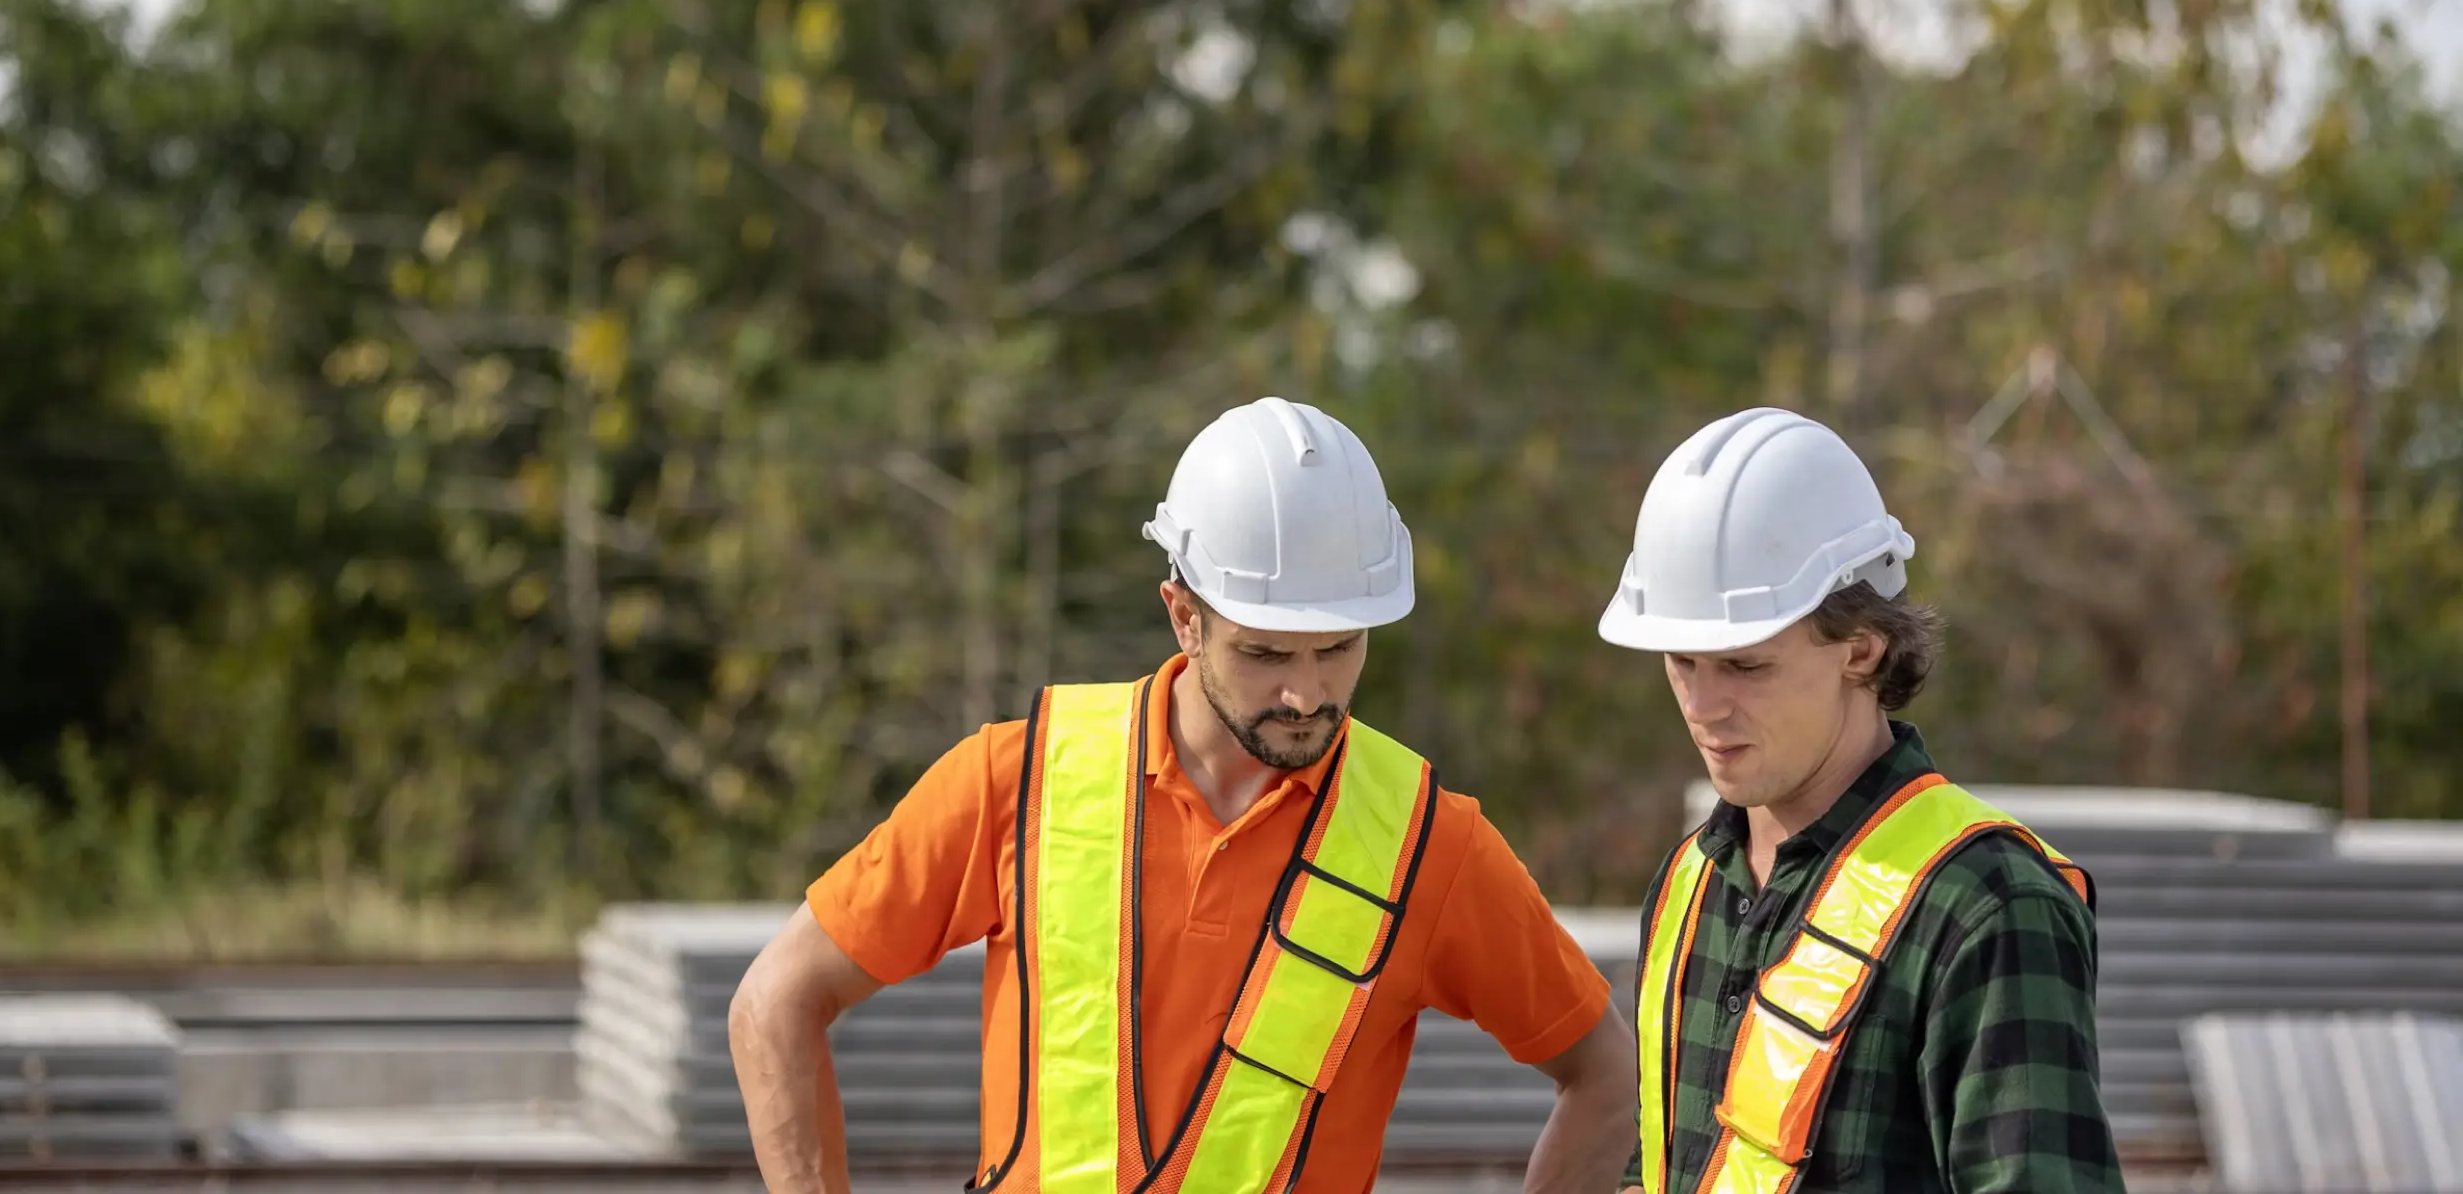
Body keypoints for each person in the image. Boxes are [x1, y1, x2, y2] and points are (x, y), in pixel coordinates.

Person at [732, 396, 1636, 1194]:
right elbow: (774, 1002)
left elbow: (1606, 1074)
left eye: (1338, 649)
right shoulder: (1018, 782)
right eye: (1266, 653)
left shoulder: (1426, 845)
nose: (1307, 694)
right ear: (1183, 615)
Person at [1602, 407, 2122, 1194]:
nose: (1703, 706)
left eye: (1744, 666)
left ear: (1861, 649)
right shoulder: (1689, 884)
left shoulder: (1987, 906)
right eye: (1681, 661)